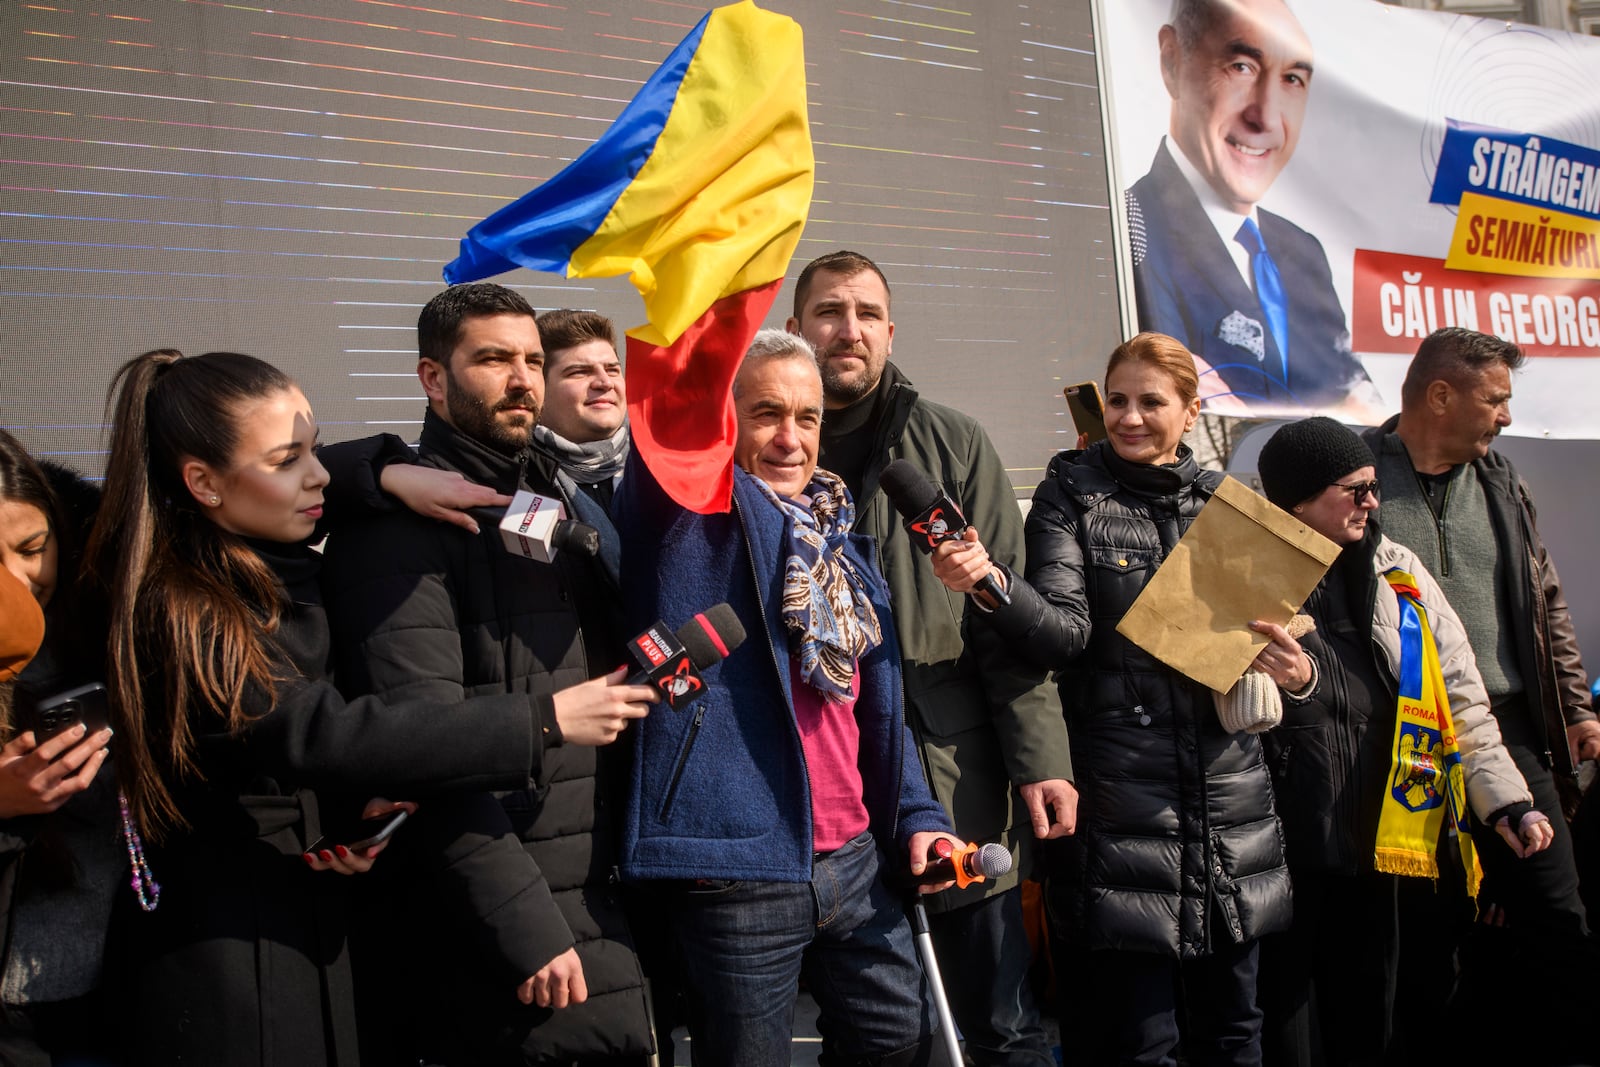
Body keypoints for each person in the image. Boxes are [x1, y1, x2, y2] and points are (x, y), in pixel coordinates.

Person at [86, 348, 641, 1067]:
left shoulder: (280, 563)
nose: (315, 474)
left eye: (316, 451)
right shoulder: (182, 608)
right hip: (232, 966)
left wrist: (380, 470)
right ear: (202, 482)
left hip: (322, 930)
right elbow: (319, 734)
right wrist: (542, 719)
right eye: (287, 459)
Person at [931, 332, 1291, 1066]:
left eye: (1151, 402)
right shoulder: (1072, 494)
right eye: (1118, 399)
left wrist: (1296, 670)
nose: (1130, 417)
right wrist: (991, 585)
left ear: (1190, 412)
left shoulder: (1233, 505)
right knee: (1141, 1042)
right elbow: (1064, 634)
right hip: (1126, 813)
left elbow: (1279, 648)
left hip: (1233, 806)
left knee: (1235, 1031)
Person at [321, 284, 657, 1066]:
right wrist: (525, 925)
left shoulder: (540, 497)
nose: (522, 379)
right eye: (494, 359)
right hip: (515, 935)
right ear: (432, 378)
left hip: (604, 896)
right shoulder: (396, 536)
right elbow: (422, 748)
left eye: (534, 360)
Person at [614, 328, 962, 1067]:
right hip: (739, 871)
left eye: (807, 417)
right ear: (725, 421)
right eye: (767, 412)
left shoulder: (840, 539)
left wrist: (920, 818)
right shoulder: (685, 518)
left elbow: (876, 712)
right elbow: (670, 425)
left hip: (858, 858)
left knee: (897, 1041)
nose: (790, 437)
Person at [785, 249, 1074, 1067]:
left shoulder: (951, 442)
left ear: (889, 330)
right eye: (830, 312)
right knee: (878, 1036)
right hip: (822, 792)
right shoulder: (763, 445)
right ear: (795, 328)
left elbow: (1006, 623)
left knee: (997, 1024)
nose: (849, 330)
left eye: (867, 314)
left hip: (953, 780)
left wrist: (1040, 760)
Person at [1247, 416, 1549, 1067]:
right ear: (1299, 497)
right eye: (1354, 490)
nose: (1372, 503)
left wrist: (1507, 802)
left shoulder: (1397, 569)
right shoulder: (1245, 569)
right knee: (1289, 1034)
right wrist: (1300, 682)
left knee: (1372, 1026)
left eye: (1373, 487)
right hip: (1282, 849)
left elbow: (1461, 699)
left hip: (1384, 842)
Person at [1362, 327, 1598, 1065]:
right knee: (1426, 929)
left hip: (1514, 728)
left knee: (1555, 907)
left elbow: (1544, 599)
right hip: (1401, 741)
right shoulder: (1357, 479)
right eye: (1495, 398)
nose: (1504, 415)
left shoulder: (1501, 479)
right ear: (1441, 395)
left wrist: (1576, 703)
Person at [1128, 0, 1375, 413]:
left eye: (1293, 78)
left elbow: (1351, 397)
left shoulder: (1303, 251)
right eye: (1241, 66)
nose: (1267, 117)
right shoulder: (1131, 227)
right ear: (1171, 61)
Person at [0, 430, 119, 1065]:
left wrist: (374, 471)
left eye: (32, 549)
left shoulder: (103, 610)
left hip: (124, 977)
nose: (20, 580)